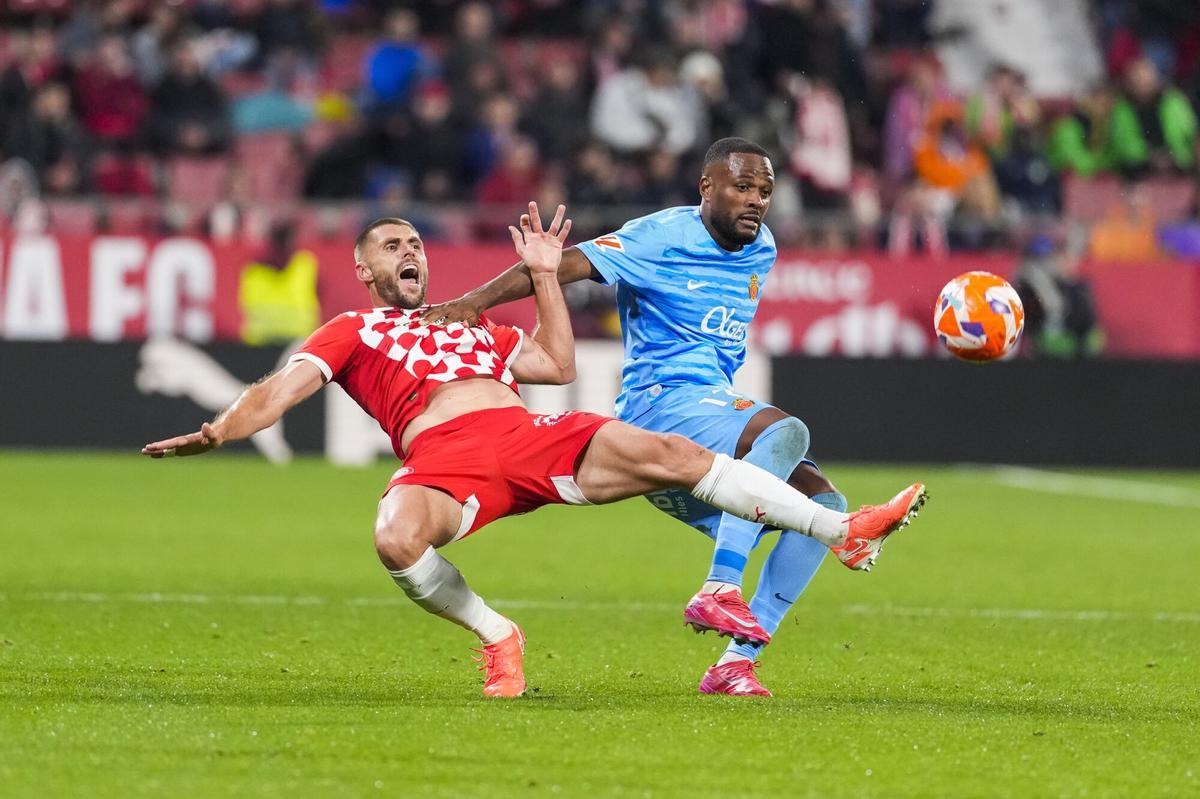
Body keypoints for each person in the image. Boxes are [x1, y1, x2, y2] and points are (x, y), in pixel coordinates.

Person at [143, 204, 927, 699]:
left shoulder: (470, 326)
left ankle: (843, 528)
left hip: (527, 435)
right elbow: (277, 391)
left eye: (415, 241)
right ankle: (498, 636)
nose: (408, 251)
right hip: (444, 459)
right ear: (365, 268)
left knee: (673, 452)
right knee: (394, 537)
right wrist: (217, 431)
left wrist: (548, 275)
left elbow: (556, 364)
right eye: (391, 245)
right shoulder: (353, 330)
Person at [423, 140, 929, 697]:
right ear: (706, 187)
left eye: (764, 191)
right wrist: (474, 302)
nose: (755, 201)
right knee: (787, 431)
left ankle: (735, 665)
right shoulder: (660, 235)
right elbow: (561, 266)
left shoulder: (762, 248)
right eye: (742, 187)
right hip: (659, 408)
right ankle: (719, 585)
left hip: (700, 428)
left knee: (824, 505)